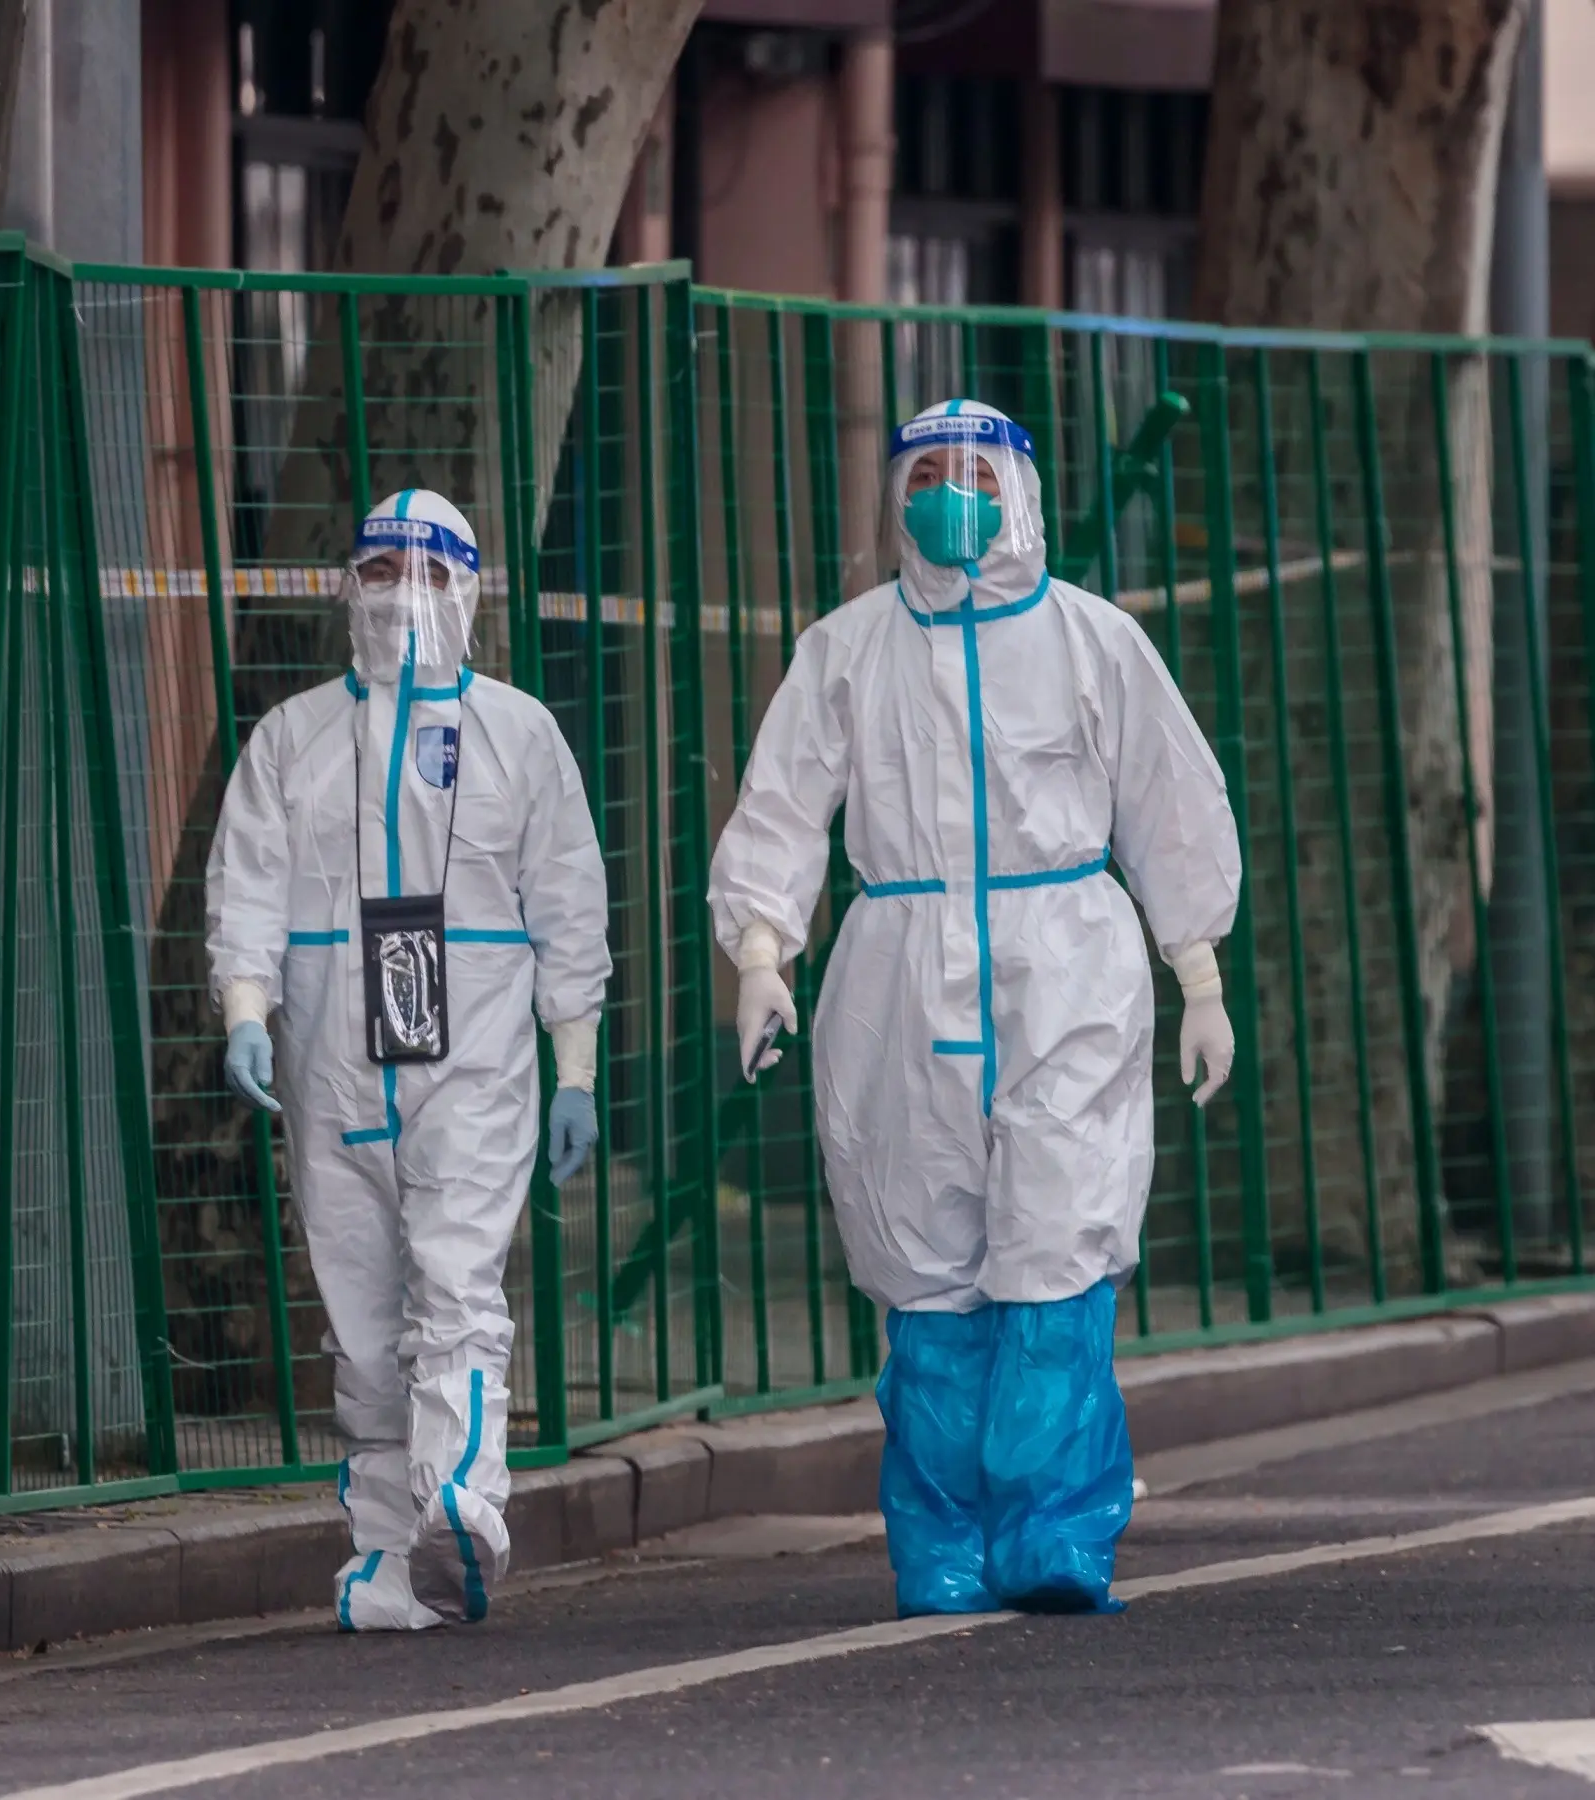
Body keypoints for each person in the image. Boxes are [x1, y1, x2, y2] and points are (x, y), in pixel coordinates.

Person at [707, 399, 1241, 1618]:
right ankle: (940, 1542)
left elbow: (1170, 803)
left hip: (1067, 970)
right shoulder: (846, 649)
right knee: (925, 1262)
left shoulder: (1093, 643)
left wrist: (1196, 972)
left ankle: (1052, 1530)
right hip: (898, 975)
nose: (953, 494)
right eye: (928, 473)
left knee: (1057, 1242)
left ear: (1022, 489)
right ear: (896, 495)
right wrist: (761, 953)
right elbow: (785, 805)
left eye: (977, 472)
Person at [207, 488, 610, 1632]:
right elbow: (247, 882)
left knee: (455, 1281)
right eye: (380, 569)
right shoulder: (293, 739)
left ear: (470, 591)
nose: (402, 593)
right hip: (331, 1060)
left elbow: (569, 906)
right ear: (348, 588)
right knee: (361, 1318)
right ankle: (390, 1554)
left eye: (429, 571)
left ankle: (465, 1508)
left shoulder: (520, 736)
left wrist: (572, 1061)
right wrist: (247, 1002)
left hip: (473, 1058)